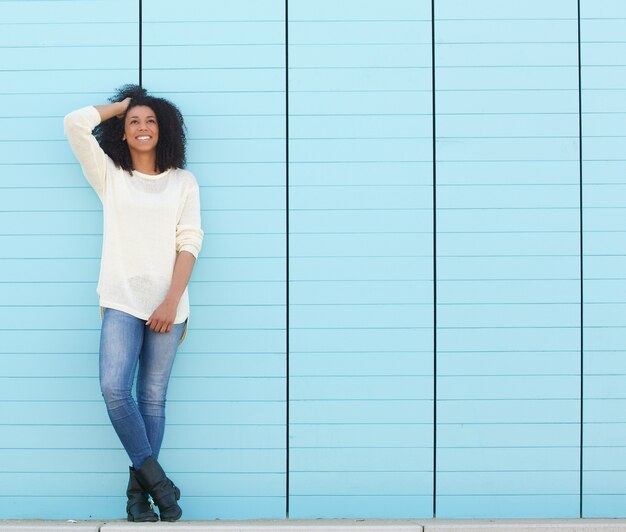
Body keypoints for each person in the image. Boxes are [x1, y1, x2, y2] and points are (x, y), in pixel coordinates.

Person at [64, 85, 203, 522]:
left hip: (169, 305)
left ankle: (138, 498)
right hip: (121, 299)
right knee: (113, 388)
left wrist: (170, 300)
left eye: (150, 121)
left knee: (153, 400)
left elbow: (190, 242)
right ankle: (158, 482)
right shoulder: (110, 176)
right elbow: (74, 124)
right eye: (134, 122)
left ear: (164, 131)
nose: (142, 128)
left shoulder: (183, 181)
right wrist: (122, 105)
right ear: (122, 133)